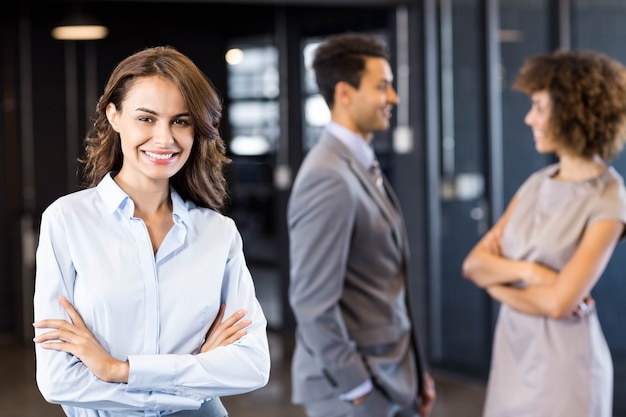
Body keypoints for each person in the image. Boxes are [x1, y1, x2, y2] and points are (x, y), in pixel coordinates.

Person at [32, 45, 270, 417]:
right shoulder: (67, 221)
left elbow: (253, 365)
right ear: (114, 115)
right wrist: (194, 379)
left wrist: (117, 370)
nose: (164, 139)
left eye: (181, 120)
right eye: (146, 118)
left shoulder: (218, 234)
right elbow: (58, 381)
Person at [462, 49, 626, 417]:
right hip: (513, 353)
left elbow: (558, 304)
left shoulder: (610, 196)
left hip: (565, 366)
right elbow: (472, 264)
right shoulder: (537, 183)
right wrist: (530, 274)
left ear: (571, 112)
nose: (528, 118)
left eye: (539, 106)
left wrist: (493, 281)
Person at [287, 32, 436, 417]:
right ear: (345, 93)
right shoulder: (328, 176)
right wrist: (358, 388)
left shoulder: (358, 163)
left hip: (392, 375)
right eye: (382, 87)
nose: (394, 99)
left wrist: (415, 372)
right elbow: (311, 301)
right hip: (354, 389)